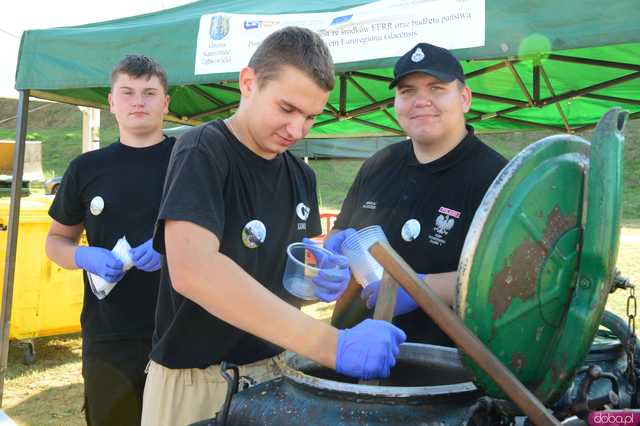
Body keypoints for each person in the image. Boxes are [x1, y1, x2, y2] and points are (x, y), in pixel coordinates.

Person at [140, 26, 405, 426]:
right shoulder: (203, 150)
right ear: (249, 83)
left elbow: (279, 263)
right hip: (200, 383)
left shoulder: (301, 174)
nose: (298, 130)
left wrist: (319, 271)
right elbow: (194, 271)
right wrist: (331, 344)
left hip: (277, 371)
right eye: (286, 109)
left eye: (311, 117)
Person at [321, 42, 508, 346]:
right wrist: (333, 248)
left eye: (436, 88)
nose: (421, 101)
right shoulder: (379, 164)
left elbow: (506, 277)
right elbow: (343, 228)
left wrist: (419, 288)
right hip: (351, 349)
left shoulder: (496, 177)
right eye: (407, 92)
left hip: (439, 367)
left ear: (465, 98)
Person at [45, 55, 175, 425]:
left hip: (178, 330)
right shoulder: (86, 168)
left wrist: (172, 249)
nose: (139, 101)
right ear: (112, 102)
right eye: (128, 92)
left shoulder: (188, 160)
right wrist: (85, 256)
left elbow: (220, 235)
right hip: (109, 336)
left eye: (150, 92)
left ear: (165, 102)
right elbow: (56, 241)